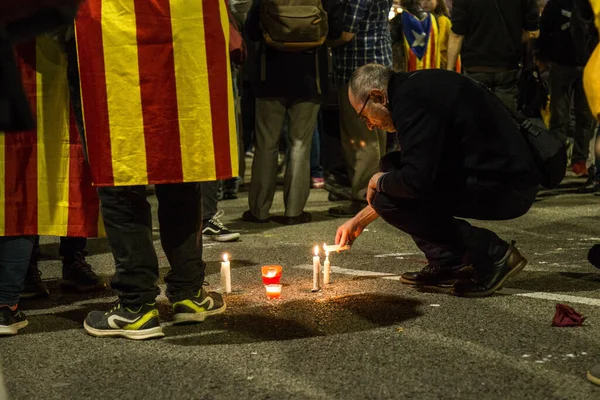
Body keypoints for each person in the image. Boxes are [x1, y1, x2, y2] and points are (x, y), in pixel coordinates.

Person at [75, 0, 238, 340]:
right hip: (185, 27)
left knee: (121, 173)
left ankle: (135, 305)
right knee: (182, 168)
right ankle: (188, 294)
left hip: (111, 31)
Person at [335, 64, 541, 297]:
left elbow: (416, 181)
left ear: (377, 96)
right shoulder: (412, 87)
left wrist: (377, 181)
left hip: (507, 187)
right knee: (391, 170)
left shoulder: (411, 102)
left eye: (364, 116)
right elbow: (418, 170)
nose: (370, 125)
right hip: (501, 174)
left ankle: (492, 252)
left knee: (388, 183)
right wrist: (361, 219)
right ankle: (449, 260)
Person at [1, 36, 102, 335]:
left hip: (54, 59)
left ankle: (71, 259)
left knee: (59, 163)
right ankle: (19, 279)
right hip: (31, 57)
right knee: (19, 172)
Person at [241, 0, 328, 225]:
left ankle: (259, 210)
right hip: (310, 78)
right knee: (300, 144)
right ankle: (294, 211)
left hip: (269, 76)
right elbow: (333, 28)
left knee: (266, 145)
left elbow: (250, 28)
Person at [327, 0, 394, 218]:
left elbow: (347, 33)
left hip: (357, 71)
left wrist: (324, 43)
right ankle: (379, 191)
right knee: (379, 131)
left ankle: (363, 197)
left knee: (359, 138)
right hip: (380, 66)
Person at [537, 0, 597, 177]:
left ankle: (572, 161)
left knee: (573, 116)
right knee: (566, 117)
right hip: (569, 65)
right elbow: (546, 29)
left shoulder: (557, 4)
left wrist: (543, 56)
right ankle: (567, 161)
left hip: (576, 65)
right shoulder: (561, 3)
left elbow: (544, 30)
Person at [447, 0, 540, 112]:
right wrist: (513, 40)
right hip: (508, 66)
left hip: (474, 66)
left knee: (474, 117)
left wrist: (450, 70)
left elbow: (457, 35)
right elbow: (533, 32)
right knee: (505, 118)